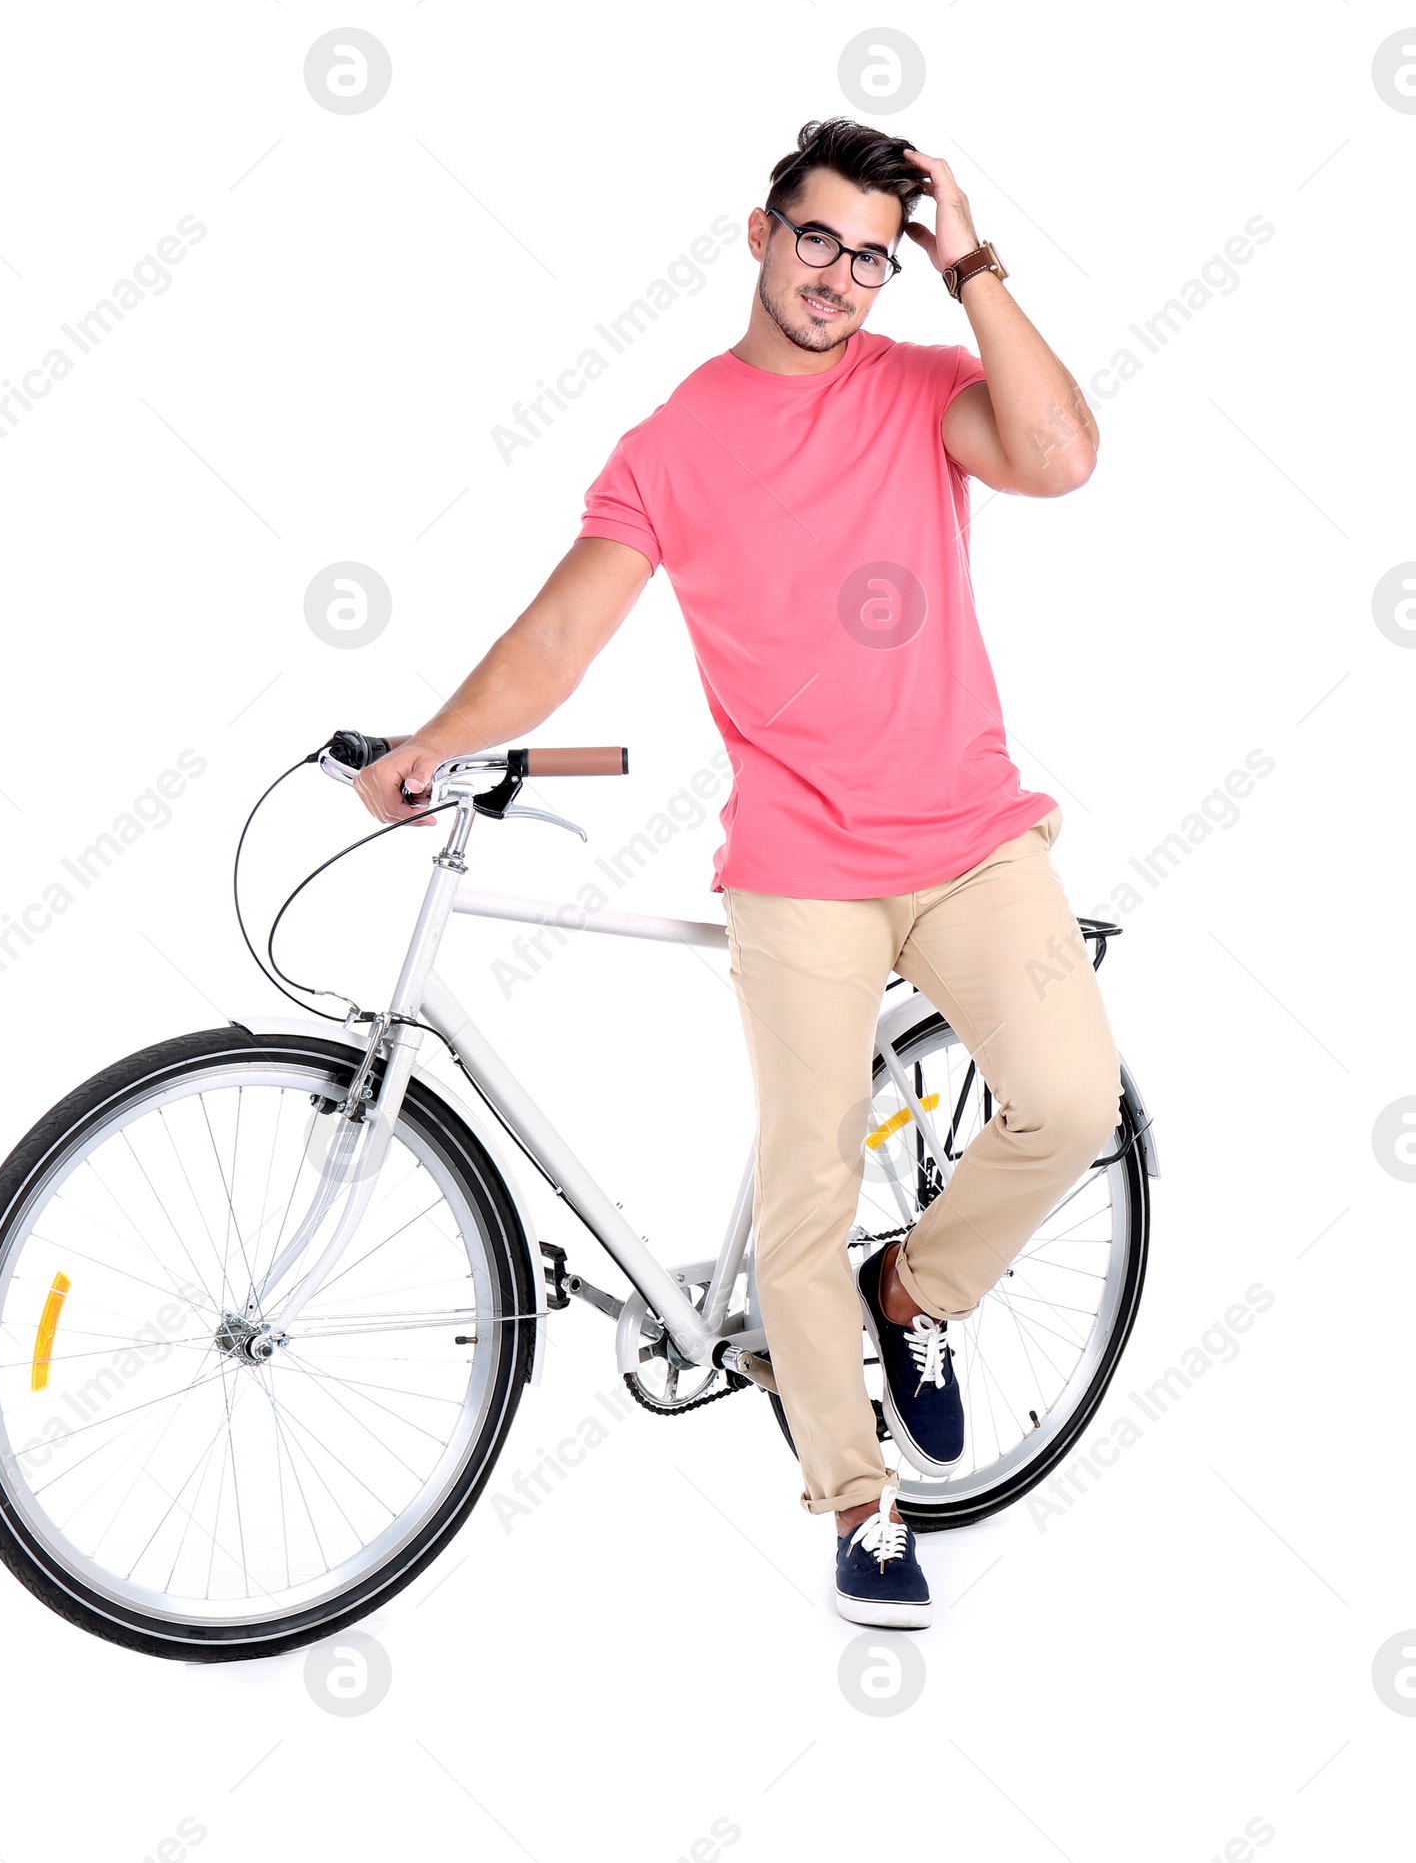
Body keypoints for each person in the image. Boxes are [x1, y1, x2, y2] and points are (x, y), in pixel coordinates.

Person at [355, 117, 1124, 1628]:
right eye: (820, 239)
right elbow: (559, 641)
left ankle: (911, 1296)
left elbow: (1062, 456)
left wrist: (970, 263)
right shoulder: (671, 445)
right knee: (805, 1174)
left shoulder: (918, 388)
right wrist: (433, 742)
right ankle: (859, 1499)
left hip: (969, 836)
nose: (842, 275)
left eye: (875, 256)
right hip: (802, 868)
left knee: (1073, 1100)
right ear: (762, 233)